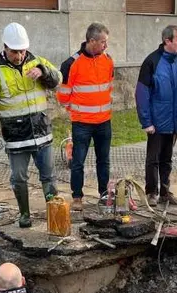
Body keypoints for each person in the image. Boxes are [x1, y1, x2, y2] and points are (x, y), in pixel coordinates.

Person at [0, 23, 62, 228]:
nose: (19, 55)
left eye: (22, 50)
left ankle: (55, 217)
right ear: (5, 47)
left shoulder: (38, 62)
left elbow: (58, 80)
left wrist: (43, 72)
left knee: (49, 176)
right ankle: (24, 214)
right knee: (18, 178)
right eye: (15, 51)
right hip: (16, 137)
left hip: (42, 132)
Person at [57, 23, 115, 211]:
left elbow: (108, 87)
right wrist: (76, 112)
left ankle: (104, 195)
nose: (105, 46)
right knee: (78, 162)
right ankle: (77, 197)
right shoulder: (71, 64)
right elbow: (63, 95)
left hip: (104, 122)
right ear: (91, 41)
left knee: (103, 160)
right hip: (82, 123)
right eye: (103, 42)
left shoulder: (108, 60)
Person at [135, 25, 177, 207]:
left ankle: (165, 191)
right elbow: (142, 93)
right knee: (154, 159)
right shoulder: (152, 62)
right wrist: (146, 121)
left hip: (174, 121)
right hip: (157, 122)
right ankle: (152, 191)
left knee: (168, 158)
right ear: (167, 41)